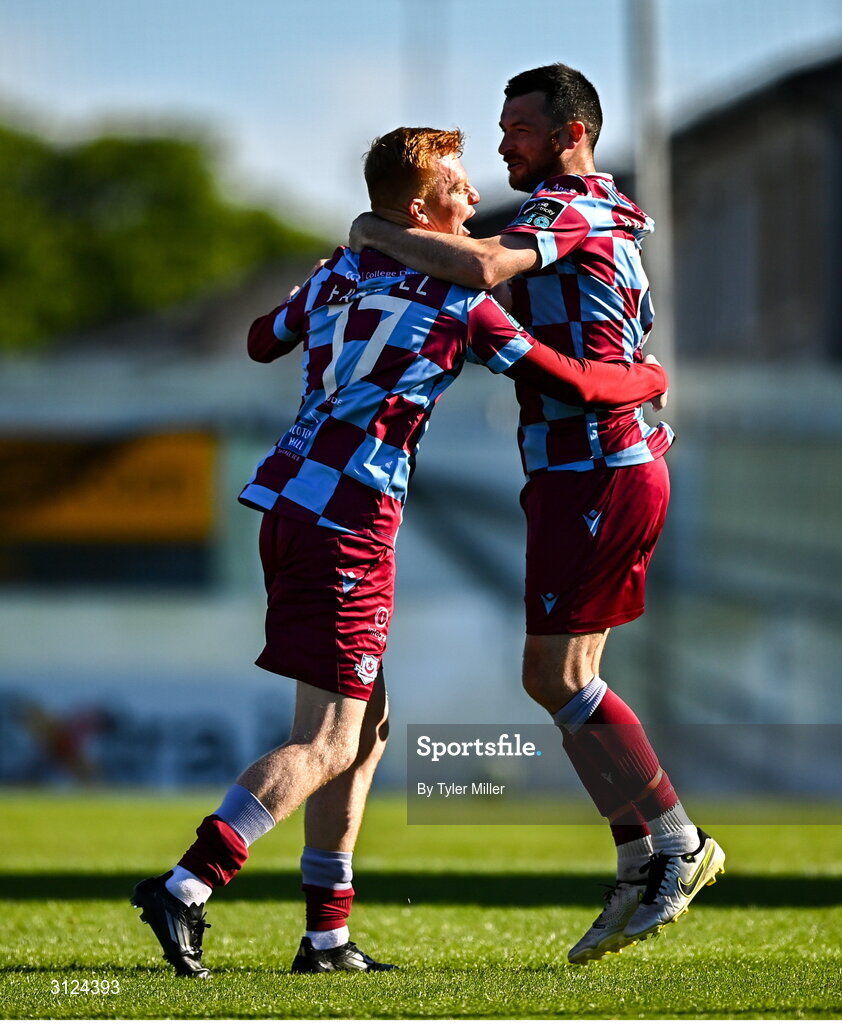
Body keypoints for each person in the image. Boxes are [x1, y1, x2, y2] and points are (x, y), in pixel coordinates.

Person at [130, 125, 669, 979]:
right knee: (331, 739)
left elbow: (261, 339)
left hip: (289, 497)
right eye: (457, 186)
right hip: (350, 515)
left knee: (365, 727)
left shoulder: (342, 270)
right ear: (422, 207)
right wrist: (646, 380)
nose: (472, 197)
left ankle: (326, 938)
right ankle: (190, 883)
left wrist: (337, 288)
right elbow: (564, 382)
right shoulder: (458, 294)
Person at [350, 65, 725, 963]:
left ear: (570, 133)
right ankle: (639, 857)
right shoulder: (588, 211)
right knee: (563, 676)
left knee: (553, 676)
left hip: (600, 465)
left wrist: (373, 227)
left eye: (518, 126)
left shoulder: (569, 204)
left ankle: (674, 842)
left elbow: (481, 265)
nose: (503, 142)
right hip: (585, 467)